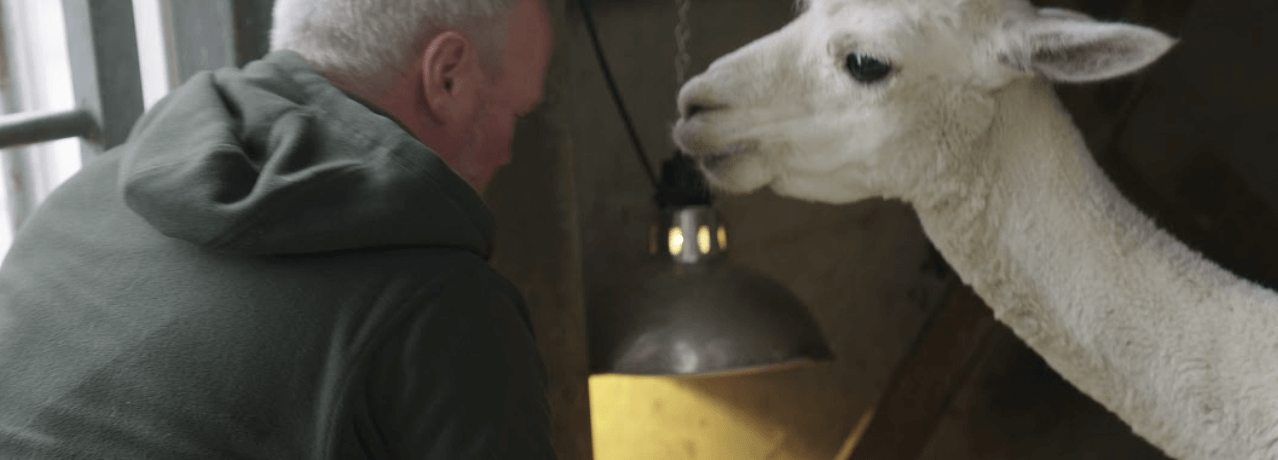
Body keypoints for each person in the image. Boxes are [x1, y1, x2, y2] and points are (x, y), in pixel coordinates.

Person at [0, 0, 558, 458]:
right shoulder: (444, 307)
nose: (510, 151)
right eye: (517, 110)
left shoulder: (83, 194)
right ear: (449, 76)